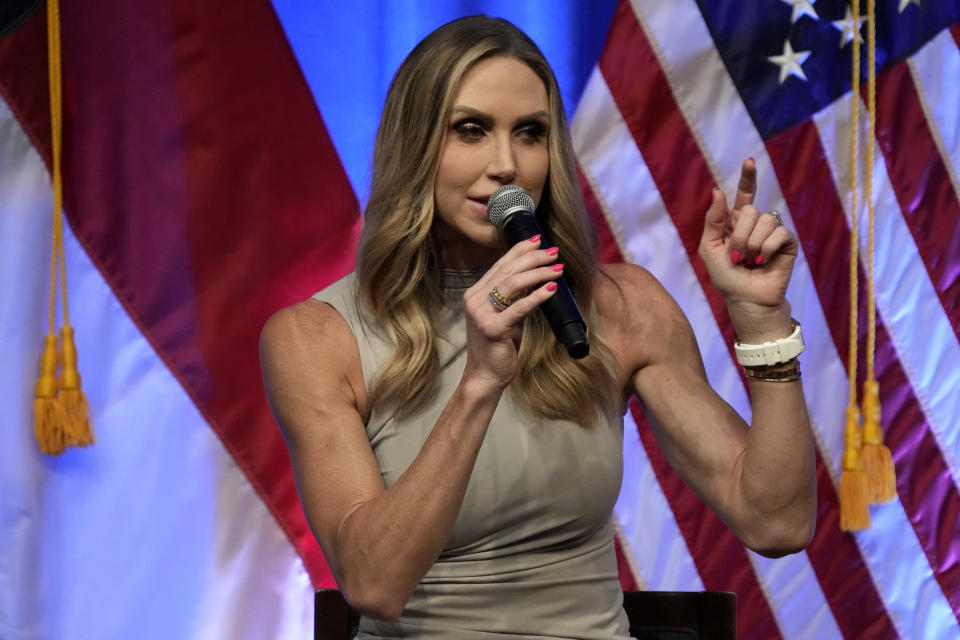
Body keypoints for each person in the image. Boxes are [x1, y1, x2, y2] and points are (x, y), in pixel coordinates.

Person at [260, 15, 816, 640]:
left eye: (529, 134)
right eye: (470, 130)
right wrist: (478, 382)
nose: (506, 164)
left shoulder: (623, 306)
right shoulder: (314, 339)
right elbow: (374, 586)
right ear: (414, 146)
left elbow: (777, 524)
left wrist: (764, 322)